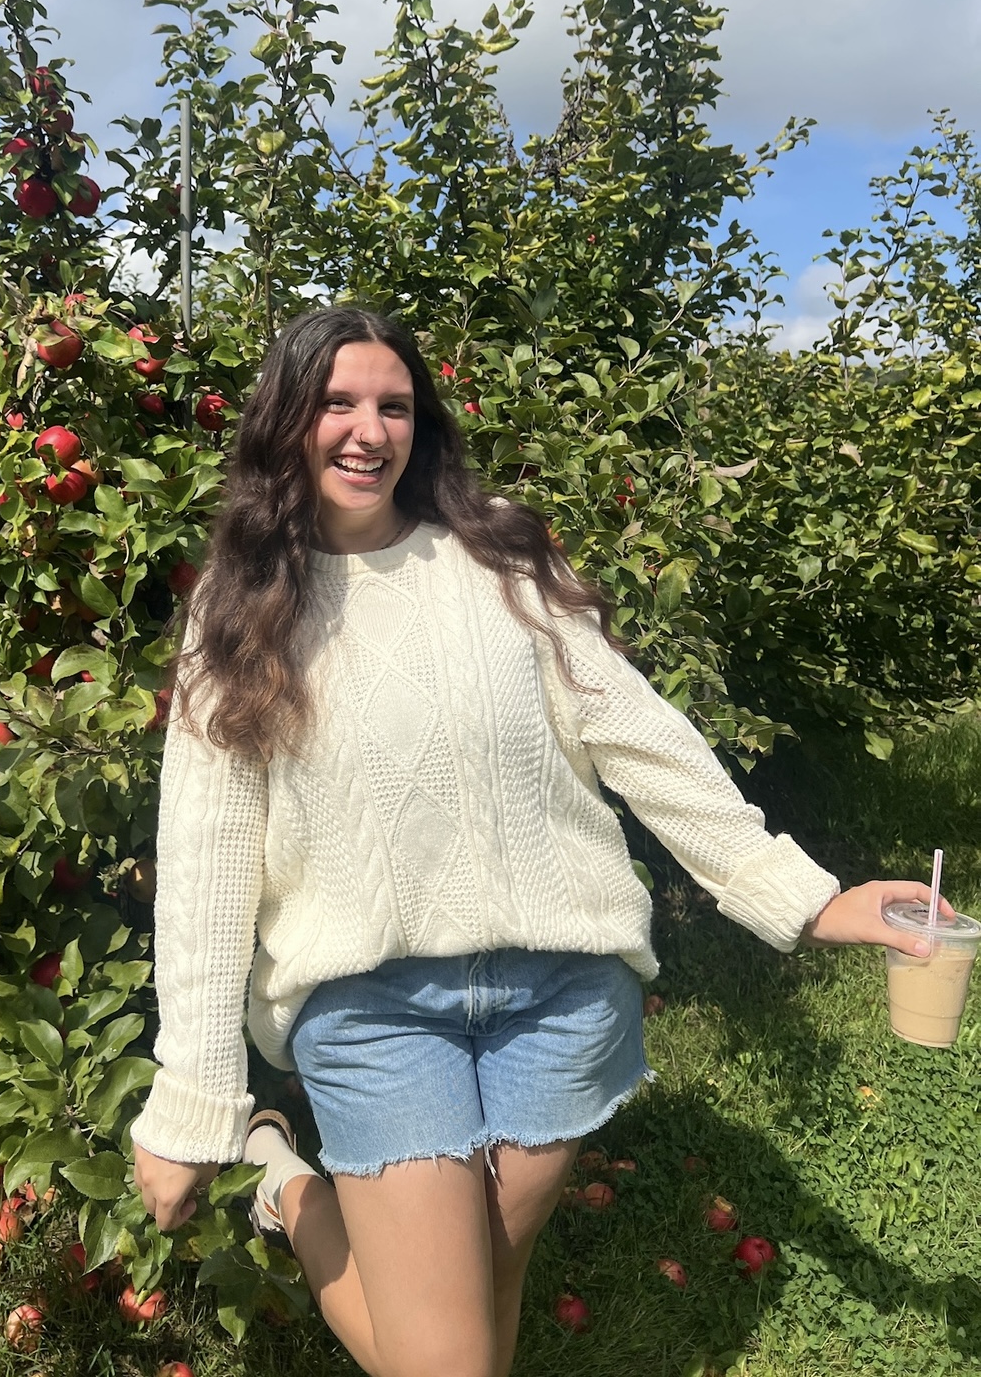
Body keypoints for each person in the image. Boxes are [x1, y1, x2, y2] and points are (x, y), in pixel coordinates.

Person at [130, 305, 948, 1377]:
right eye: (337, 403)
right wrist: (196, 1094)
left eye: (395, 406)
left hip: (562, 998)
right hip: (373, 1008)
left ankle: (295, 1192)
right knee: (445, 1358)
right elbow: (207, 859)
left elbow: (638, 734)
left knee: (481, 1304)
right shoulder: (240, 614)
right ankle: (287, 1185)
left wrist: (801, 897)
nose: (368, 431)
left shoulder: (499, 559)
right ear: (287, 421)